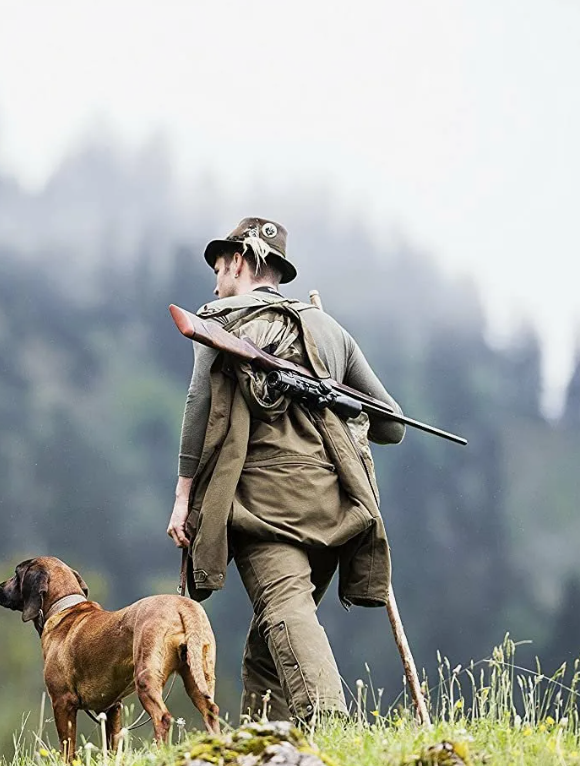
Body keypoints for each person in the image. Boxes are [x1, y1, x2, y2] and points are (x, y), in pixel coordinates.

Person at [166, 216, 405, 722]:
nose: (215, 281)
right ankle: (268, 753)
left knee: (284, 611)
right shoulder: (327, 328)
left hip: (264, 506)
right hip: (335, 507)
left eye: (220, 266)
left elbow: (198, 404)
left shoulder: (219, 319)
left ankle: (331, 726)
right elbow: (393, 427)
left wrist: (184, 496)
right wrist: (337, 394)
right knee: (269, 646)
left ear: (241, 261)